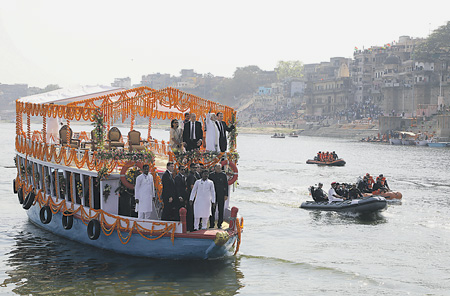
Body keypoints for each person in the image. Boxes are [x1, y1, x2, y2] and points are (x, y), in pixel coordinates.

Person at [208, 163, 228, 228]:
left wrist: (226, 194)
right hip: (213, 194)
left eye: (220, 168)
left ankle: (220, 224)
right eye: (218, 168)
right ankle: (211, 224)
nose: (219, 169)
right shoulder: (211, 175)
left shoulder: (223, 175)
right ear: (215, 168)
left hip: (221, 194)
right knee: (212, 209)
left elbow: (226, 185)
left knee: (221, 209)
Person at [186, 163, 199, 231]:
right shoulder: (191, 176)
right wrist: (196, 196)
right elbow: (192, 187)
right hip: (191, 196)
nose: (195, 169)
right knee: (191, 212)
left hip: (193, 196)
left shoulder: (196, 175)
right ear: (190, 168)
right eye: (193, 168)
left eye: (195, 168)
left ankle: (193, 226)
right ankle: (191, 227)